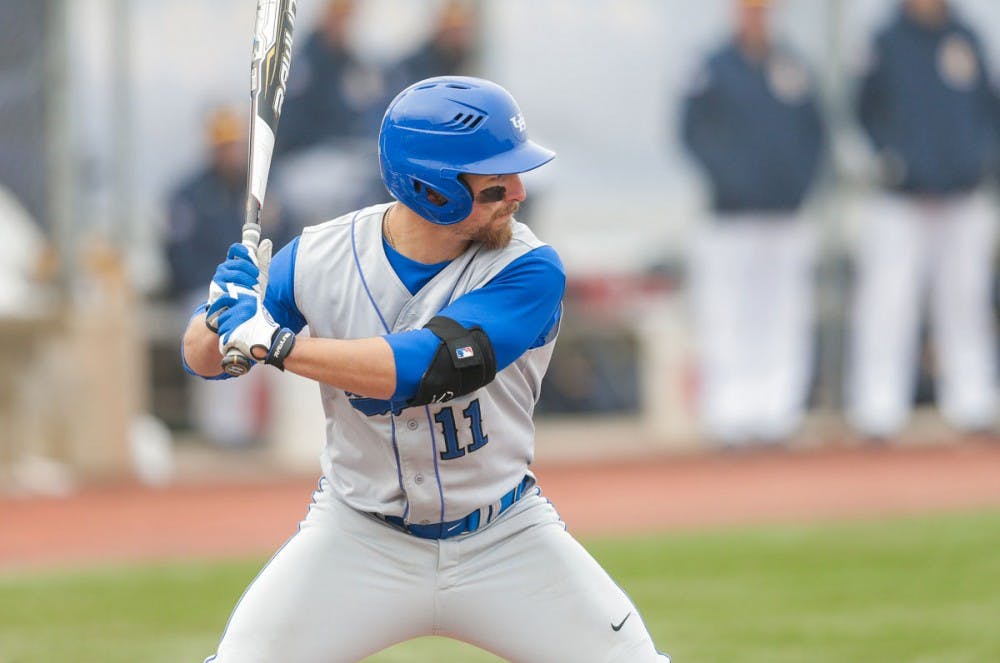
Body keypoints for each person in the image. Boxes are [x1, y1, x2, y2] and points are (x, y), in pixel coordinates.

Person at [185, 76, 670, 662]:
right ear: (433, 186)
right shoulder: (318, 256)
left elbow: (430, 366)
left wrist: (278, 345)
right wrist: (221, 316)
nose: (517, 190)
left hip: (503, 536)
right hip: (357, 537)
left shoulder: (531, 269)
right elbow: (203, 360)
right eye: (495, 181)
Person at [846, 0, 1000, 439]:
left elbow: (989, 109)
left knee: (966, 303)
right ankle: (877, 411)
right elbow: (863, 108)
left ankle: (973, 403)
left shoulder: (966, 36)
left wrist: (979, 160)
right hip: (902, 199)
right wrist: (893, 160)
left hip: (963, 195)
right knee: (888, 304)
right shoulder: (884, 38)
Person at [679, 0, 825, 446]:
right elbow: (691, 131)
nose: (756, 16)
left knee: (784, 312)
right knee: (727, 313)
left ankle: (777, 412)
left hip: (786, 213)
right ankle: (729, 415)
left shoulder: (793, 65)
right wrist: (730, 178)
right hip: (730, 215)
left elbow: (816, 135)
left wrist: (798, 185)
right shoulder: (711, 66)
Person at [164, 105, 295, 447]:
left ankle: (277, 434)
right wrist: (222, 291)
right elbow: (179, 259)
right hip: (207, 293)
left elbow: (290, 241)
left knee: (293, 331)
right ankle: (225, 435)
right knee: (222, 332)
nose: (230, 153)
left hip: (264, 289)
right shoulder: (190, 194)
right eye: (223, 146)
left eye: (234, 144)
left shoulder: (266, 188)